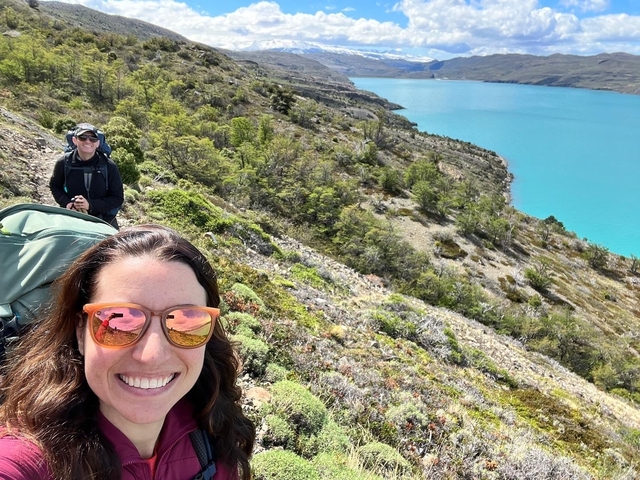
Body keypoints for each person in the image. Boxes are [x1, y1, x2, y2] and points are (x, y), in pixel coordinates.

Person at [0, 225, 255, 479]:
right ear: (80, 332)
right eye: (118, 321)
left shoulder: (215, 436)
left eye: (185, 322)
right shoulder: (30, 461)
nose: (152, 355)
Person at [49, 123, 124, 229]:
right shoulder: (64, 162)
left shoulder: (108, 165)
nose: (88, 141)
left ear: (97, 143)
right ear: (75, 140)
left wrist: (90, 205)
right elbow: (55, 186)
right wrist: (67, 203)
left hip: (103, 219)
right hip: (72, 215)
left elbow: (117, 198)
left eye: (92, 138)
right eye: (82, 137)